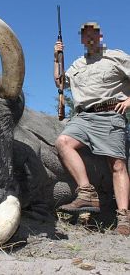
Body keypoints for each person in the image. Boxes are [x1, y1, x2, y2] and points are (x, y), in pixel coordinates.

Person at [53, 22, 130, 236]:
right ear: (82, 39)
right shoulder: (77, 64)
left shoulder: (116, 57)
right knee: (63, 142)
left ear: (100, 36)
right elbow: (60, 83)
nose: (90, 38)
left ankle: (124, 218)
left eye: (93, 34)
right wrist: (56, 57)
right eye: (86, 35)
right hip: (83, 116)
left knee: (117, 165)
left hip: (109, 114)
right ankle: (86, 192)